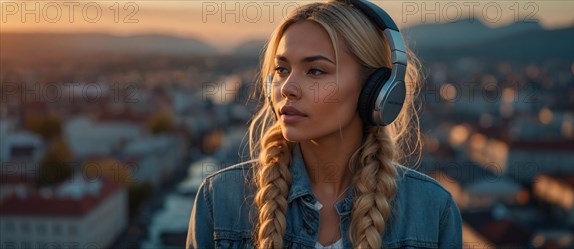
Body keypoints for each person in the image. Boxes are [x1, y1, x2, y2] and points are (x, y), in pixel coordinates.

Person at [186, 0, 462, 248]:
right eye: (281, 70)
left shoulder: (432, 209)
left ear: (378, 90)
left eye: (316, 71)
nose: (287, 88)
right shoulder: (220, 199)